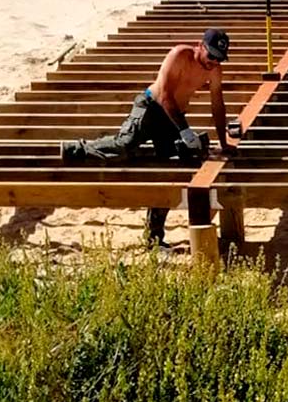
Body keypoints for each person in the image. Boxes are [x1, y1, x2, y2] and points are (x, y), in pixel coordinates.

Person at [61, 28, 233, 245]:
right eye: (210, 56)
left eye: (218, 60)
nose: (213, 63)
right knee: (125, 145)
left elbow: (217, 104)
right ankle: (77, 149)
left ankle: (154, 238)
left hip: (173, 117)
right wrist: (185, 130)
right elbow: (165, 96)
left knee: (170, 173)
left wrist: (224, 141)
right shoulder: (179, 55)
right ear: (200, 46)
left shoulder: (214, 70)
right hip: (151, 106)